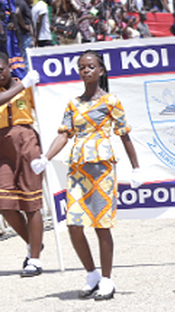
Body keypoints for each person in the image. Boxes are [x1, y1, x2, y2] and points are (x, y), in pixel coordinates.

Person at [35, 50, 142, 301]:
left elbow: (124, 134)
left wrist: (136, 167)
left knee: (101, 226)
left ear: (100, 71)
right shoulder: (74, 103)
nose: (86, 70)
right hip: (78, 168)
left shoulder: (111, 101)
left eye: (91, 66)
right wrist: (45, 157)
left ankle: (107, 279)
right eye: (82, 67)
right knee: (73, 225)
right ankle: (91, 274)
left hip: (101, 168)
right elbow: (64, 134)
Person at [0, 57, 42, 276]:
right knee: (4, 202)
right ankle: (33, 242)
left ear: (8, 67)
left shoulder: (27, 86)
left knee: (31, 201)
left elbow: (44, 110)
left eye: (1, 69)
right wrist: (23, 85)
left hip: (26, 143)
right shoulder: (23, 84)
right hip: (1, 148)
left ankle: (34, 258)